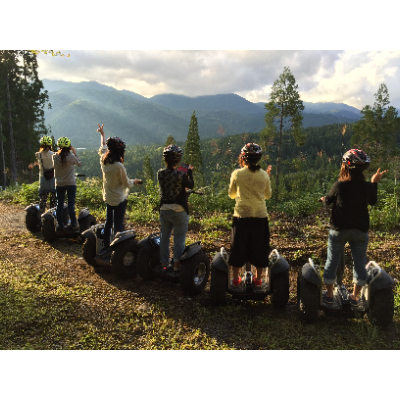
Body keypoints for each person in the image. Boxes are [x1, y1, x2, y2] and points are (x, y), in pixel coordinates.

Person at [320, 149, 388, 306]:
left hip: (339, 230)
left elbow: (328, 200)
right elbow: (372, 201)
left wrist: (323, 200)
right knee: (359, 264)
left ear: (345, 167)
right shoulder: (366, 186)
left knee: (332, 261)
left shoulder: (339, 185)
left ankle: (329, 296)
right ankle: (355, 297)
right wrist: (374, 182)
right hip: (359, 231)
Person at [228, 143, 272, 287]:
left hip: (241, 216)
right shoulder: (264, 175)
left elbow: (231, 194)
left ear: (243, 158)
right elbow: (268, 195)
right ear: (258, 159)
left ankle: (236, 279)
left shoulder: (237, 174)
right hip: (260, 217)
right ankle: (258, 280)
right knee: (260, 247)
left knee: (238, 247)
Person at [96, 123, 141, 260]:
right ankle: (118, 251)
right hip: (118, 199)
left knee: (108, 223)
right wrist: (134, 181)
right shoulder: (118, 166)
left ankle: (106, 247)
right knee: (118, 225)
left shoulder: (104, 160)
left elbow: (103, 147)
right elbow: (126, 183)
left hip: (108, 197)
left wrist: (102, 134)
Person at [158, 145, 194, 271]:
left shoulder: (160, 174)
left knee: (164, 237)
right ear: (178, 160)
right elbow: (190, 185)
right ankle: (177, 264)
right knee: (179, 239)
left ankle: (164, 263)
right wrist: (189, 172)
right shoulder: (181, 175)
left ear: (165, 160)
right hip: (179, 210)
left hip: (164, 209)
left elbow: (170, 186)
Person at [53, 137, 82, 232]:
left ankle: (60, 225)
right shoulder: (71, 157)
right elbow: (79, 164)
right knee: (71, 205)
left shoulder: (55, 157)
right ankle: (73, 224)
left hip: (59, 184)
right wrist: (75, 153)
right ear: (69, 147)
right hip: (70, 183)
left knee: (59, 204)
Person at [33, 136, 56, 210]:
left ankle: (41, 214)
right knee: (53, 200)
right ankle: (52, 214)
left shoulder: (38, 154)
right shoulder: (54, 154)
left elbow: (39, 156)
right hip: (53, 179)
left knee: (43, 200)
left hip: (43, 179)